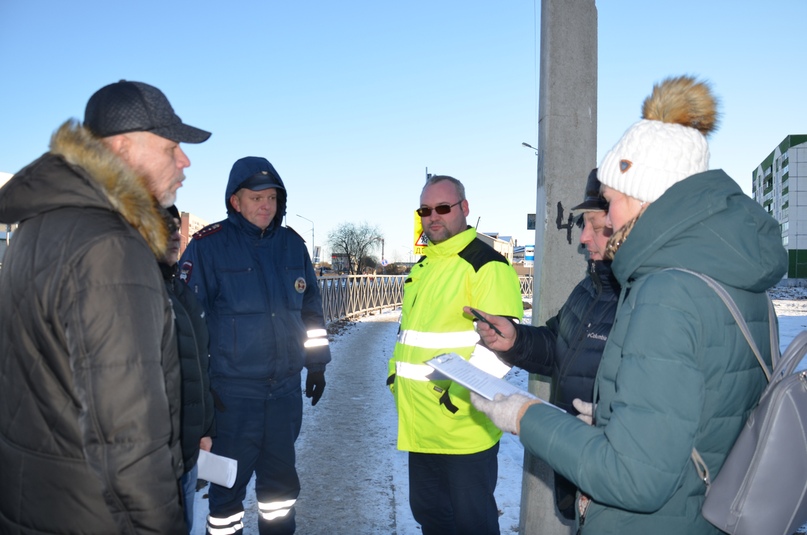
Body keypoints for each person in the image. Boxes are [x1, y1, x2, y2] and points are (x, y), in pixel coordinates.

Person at [472, 75, 788, 534]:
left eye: (613, 201)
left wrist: (524, 416)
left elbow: (634, 480)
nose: (607, 218)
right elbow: (703, 417)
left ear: (647, 198)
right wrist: (618, 419)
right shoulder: (732, 278)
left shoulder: (666, 294)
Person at [0, 80, 210, 533]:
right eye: (171, 146)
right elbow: (129, 439)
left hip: (39, 502)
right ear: (123, 147)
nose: (185, 160)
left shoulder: (37, 228)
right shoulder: (111, 248)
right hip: (97, 515)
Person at [178, 156, 331, 535]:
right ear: (236, 201)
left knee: (279, 492)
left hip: (283, 395)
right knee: (227, 492)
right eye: (256, 197)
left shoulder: (293, 246)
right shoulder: (207, 247)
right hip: (230, 398)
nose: (266, 206)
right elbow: (185, 327)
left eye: (272, 198)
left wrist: (316, 365)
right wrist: (194, 395)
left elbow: (311, 312)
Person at [467, 168, 618, 520]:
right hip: (580, 474)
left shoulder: (644, 296)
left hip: (612, 484)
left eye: (596, 226)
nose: (583, 237)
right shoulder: (591, 288)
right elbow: (556, 344)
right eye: (584, 224)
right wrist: (515, 339)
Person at [388, 175, 524, 535]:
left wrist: (456, 390)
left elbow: (501, 349)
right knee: (431, 516)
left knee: (471, 523)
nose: (433, 216)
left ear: (464, 208)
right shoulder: (423, 268)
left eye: (443, 208)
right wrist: (393, 376)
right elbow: (409, 336)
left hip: (462, 426)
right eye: (426, 210)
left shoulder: (486, 265)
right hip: (420, 425)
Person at [160, 205, 215, 533]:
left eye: (175, 229)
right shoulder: (134, 289)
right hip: (153, 458)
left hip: (187, 449)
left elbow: (195, 365)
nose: (175, 235)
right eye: (163, 228)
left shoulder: (180, 290)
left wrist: (205, 428)